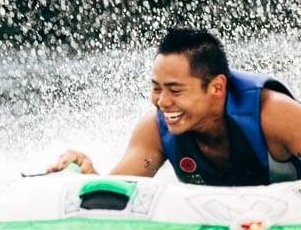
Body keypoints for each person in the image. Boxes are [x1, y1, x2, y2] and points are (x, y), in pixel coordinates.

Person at [50, 28, 301, 185]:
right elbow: (117, 193)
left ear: (216, 87)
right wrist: (87, 173)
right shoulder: (155, 130)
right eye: (157, 88)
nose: (162, 101)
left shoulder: (274, 114)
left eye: (175, 90)